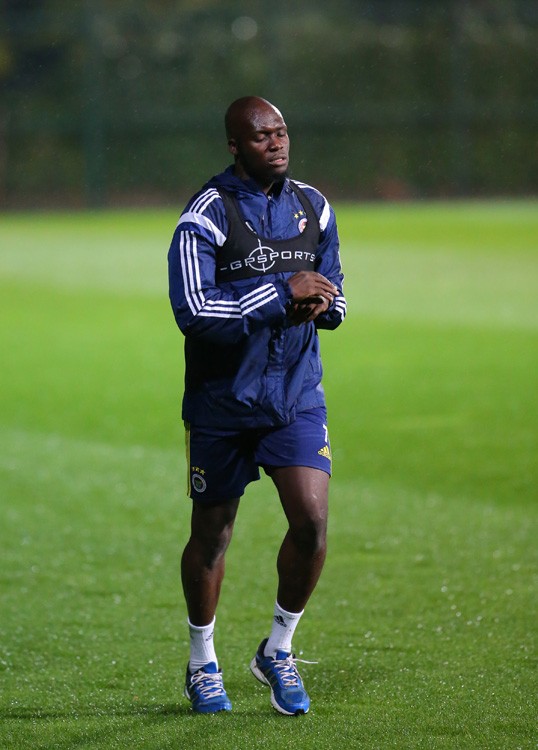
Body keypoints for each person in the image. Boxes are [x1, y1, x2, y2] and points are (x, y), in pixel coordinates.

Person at [167, 96, 346, 716]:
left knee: (312, 523)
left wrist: (323, 303)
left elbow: (338, 293)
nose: (277, 142)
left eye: (282, 131)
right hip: (222, 402)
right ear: (235, 147)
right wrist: (278, 293)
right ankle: (202, 662)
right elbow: (194, 310)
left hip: (295, 395)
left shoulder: (314, 206)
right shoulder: (206, 214)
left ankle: (278, 648)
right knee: (212, 536)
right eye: (262, 135)